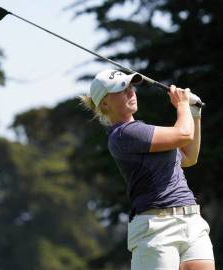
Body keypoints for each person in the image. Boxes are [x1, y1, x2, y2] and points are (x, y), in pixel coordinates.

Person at [79, 69, 214, 270]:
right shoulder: (124, 135)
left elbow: (188, 157)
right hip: (156, 229)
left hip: (191, 221)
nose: (130, 93)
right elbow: (184, 134)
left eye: (131, 87)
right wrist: (183, 105)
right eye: (121, 90)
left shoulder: (146, 131)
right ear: (105, 103)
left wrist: (195, 113)